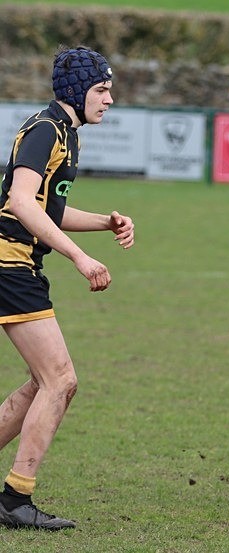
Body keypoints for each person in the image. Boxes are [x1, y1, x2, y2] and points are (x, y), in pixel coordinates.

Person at [0, 45, 135, 530]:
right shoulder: (45, 130)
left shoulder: (64, 132)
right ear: (77, 92)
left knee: (45, 382)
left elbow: (47, 209)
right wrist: (79, 256)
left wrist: (105, 221)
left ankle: (12, 499)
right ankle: (15, 501)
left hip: (17, 265)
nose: (109, 99)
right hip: (8, 264)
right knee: (61, 381)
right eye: (102, 90)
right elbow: (19, 201)